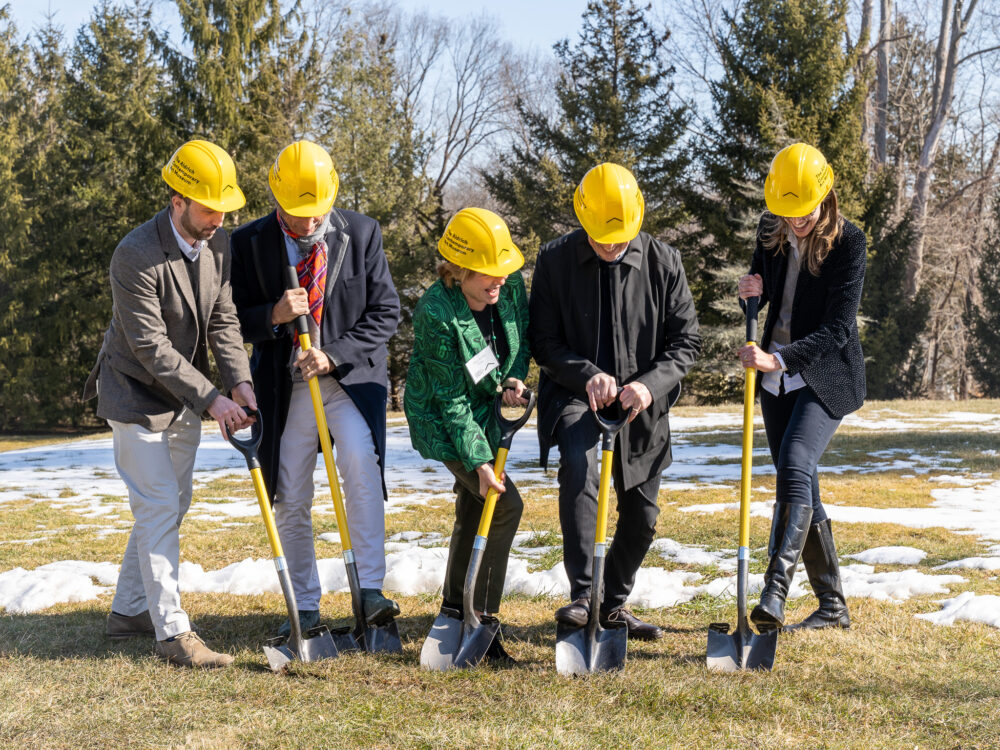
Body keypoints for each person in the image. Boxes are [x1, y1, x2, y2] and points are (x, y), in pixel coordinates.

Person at [83, 139, 256, 668]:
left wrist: (240, 383)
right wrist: (213, 400)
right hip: (133, 394)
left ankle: (130, 611)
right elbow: (149, 347)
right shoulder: (134, 254)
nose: (217, 218)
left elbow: (224, 320)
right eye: (208, 208)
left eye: (223, 208)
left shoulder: (219, 245)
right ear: (176, 198)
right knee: (158, 504)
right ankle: (172, 634)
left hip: (184, 397)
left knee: (171, 505)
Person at [230, 140, 401, 637]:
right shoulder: (249, 242)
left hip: (347, 383)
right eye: (297, 214)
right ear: (276, 197)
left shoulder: (362, 233)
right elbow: (233, 319)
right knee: (291, 493)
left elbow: (385, 312)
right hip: (287, 391)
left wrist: (333, 354)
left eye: (317, 213)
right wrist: (274, 317)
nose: (308, 224)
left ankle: (370, 590)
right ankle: (304, 606)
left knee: (361, 468)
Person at [530, 163, 701, 641]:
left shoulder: (664, 262)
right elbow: (543, 341)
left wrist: (650, 384)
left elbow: (686, 342)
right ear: (583, 221)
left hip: (643, 403)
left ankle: (614, 602)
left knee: (643, 514)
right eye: (601, 238)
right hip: (575, 397)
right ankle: (584, 597)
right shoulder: (556, 260)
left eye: (620, 238)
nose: (611, 246)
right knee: (582, 473)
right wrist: (587, 375)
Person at [738, 142, 865, 632]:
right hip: (776, 376)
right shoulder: (773, 226)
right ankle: (833, 606)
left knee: (794, 464)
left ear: (825, 196)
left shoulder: (849, 243)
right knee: (801, 481)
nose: (796, 221)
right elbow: (765, 284)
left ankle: (774, 593)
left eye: (804, 212)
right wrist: (754, 291)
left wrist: (782, 357)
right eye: (787, 213)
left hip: (825, 373)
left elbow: (837, 329)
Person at [405, 207, 530, 665]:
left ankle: (456, 610)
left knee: (475, 506)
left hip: (489, 409)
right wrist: (478, 462)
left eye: (501, 272)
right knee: (503, 504)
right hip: (444, 417)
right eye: (485, 276)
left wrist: (512, 380)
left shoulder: (509, 283)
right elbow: (451, 401)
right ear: (458, 271)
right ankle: (483, 620)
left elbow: (520, 339)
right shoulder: (436, 311)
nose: (498, 283)